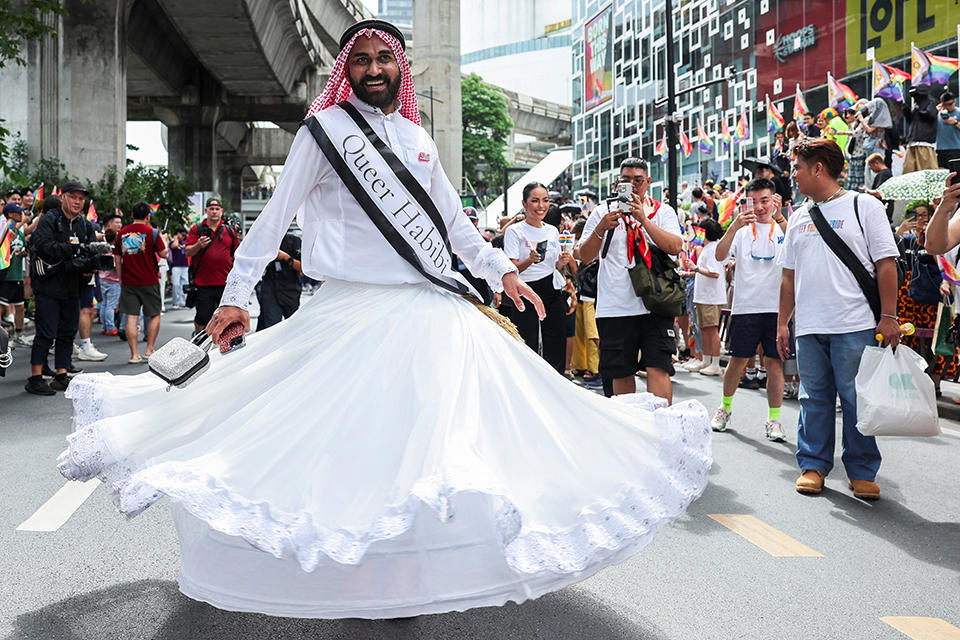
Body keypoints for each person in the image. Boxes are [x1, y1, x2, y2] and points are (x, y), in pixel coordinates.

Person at [55, 19, 710, 619]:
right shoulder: (324, 133)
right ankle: (359, 566)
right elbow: (274, 216)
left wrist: (501, 271)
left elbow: (453, 226)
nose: (373, 68)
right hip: (349, 313)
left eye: (383, 58)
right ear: (348, 69)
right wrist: (236, 296)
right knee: (352, 444)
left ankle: (407, 571)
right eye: (361, 59)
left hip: (429, 316)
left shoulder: (420, 138)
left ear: (400, 68)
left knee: (431, 443)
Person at [777, 139, 901, 500]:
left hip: (855, 324)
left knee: (856, 399)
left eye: (797, 167)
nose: (793, 175)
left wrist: (889, 315)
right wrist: (783, 322)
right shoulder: (799, 215)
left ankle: (861, 471)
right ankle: (813, 466)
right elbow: (788, 276)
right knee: (812, 398)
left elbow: (886, 263)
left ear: (818, 168)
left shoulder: (864, 206)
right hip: (810, 327)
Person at [579, 157, 684, 402]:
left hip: (655, 304)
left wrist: (644, 220)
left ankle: (661, 429)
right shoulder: (602, 212)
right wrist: (601, 229)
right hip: (615, 307)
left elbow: (675, 246)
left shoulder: (663, 211)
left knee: (658, 367)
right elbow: (584, 256)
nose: (633, 185)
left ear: (648, 182)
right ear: (618, 183)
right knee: (621, 370)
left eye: (638, 180)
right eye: (626, 180)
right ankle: (630, 431)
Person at [709, 178, 789, 441]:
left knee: (774, 365)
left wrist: (780, 218)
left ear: (774, 200)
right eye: (753, 201)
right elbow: (720, 256)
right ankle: (725, 408)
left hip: (777, 309)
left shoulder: (782, 228)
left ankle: (774, 419)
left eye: (764, 200)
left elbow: (797, 248)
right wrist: (732, 227)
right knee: (737, 362)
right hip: (746, 308)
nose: (759, 207)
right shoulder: (742, 231)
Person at [25, 182, 97, 395]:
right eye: (73, 197)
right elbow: (44, 245)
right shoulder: (50, 219)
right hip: (48, 285)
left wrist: (91, 263)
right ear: (63, 198)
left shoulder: (85, 224)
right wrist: (73, 249)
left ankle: (61, 375)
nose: (77, 202)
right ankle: (35, 377)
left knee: (67, 333)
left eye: (81, 198)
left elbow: (91, 250)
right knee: (46, 333)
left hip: (73, 286)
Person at [504, 182, 574, 372]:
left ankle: (556, 384)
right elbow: (510, 269)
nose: (541, 206)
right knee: (527, 343)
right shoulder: (514, 231)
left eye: (545, 201)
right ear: (524, 203)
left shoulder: (552, 230)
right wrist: (529, 260)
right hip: (524, 292)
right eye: (535, 201)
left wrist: (562, 261)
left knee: (556, 341)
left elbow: (556, 266)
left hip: (551, 291)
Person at [894, 203, 957, 395]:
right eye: (916, 215)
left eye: (925, 215)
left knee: (937, 340)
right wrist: (900, 231)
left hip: (932, 298)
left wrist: (945, 283)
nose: (920, 219)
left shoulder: (937, 239)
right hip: (908, 299)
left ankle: (935, 382)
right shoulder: (908, 239)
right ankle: (910, 380)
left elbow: (944, 264)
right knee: (908, 340)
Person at [116, 201, 167, 364]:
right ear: (148, 216)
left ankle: (134, 354)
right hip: (149, 280)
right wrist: (163, 239)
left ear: (131, 215)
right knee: (153, 314)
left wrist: (120, 278)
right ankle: (149, 350)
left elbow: (117, 259)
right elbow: (163, 254)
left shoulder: (121, 233)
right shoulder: (152, 232)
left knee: (131, 317)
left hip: (129, 281)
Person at [185, 197, 239, 336]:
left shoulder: (229, 231)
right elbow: (187, 252)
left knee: (227, 317)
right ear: (206, 211)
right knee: (203, 317)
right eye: (211, 209)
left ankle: (225, 345)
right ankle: (198, 340)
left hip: (225, 283)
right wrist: (198, 245)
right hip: (203, 282)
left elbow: (236, 254)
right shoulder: (197, 229)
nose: (214, 212)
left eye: (217, 209)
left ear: (221, 211)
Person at [687, 219, 727, 376]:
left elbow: (714, 273)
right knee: (704, 329)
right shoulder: (707, 248)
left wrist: (695, 268)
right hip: (704, 296)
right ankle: (706, 360)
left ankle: (715, 364)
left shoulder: (713, 249)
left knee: (712, 330)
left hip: (711, 297)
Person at [256, 231, 302, 330]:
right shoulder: (264, 242)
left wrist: (286, 257)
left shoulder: (294, 241)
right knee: (271, 327)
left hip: (290, 291)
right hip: (270, 290)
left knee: (292, 327)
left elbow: (303, 269)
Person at [0, 202, 30, 347]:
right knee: (1, 306)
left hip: (18, 274)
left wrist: (24, 253)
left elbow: (23, 248)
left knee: (20, 307)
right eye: (19, 212)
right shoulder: (4, 231)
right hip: (6, 276)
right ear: (10, 214)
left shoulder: (19, 233)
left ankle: (18, 336)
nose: (22, 214)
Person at [904, 83, 939, 173]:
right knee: (909, 171)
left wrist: (919, 110)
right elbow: (911, 121)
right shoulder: (916, 105)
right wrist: (907, 112)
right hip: (912, 141)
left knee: (926, 171)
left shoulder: (931, 102)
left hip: (925, 142)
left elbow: (930, 115)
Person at [97, 215, 123, 336]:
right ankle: (111, 327)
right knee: (111, 306)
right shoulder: (114, 250)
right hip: (113, 280)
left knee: (104, 304)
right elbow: (115, 264)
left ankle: (104, 326)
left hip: (102, 278)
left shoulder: (102, 248)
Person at [936, 90, 960, 169]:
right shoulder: (939, 113)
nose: (948, 107)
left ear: (955, 101)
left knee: (955, 173)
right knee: (941, 173)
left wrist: (955, 122)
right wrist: (934, 111)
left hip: (955, 148)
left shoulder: (958, 112)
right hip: (940, 148)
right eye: (945, 104)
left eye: (950, 104)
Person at [166, 227, 189, 308]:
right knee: (176, 284)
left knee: (185, 284)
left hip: (185, 266)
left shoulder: (185, 242)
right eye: (182, 235)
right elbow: (174, 246)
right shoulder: (173, 242)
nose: (184, 237)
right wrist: (176, 238)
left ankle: (184, 302)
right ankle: (176, 302)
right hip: (176, 266)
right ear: (178, 233)